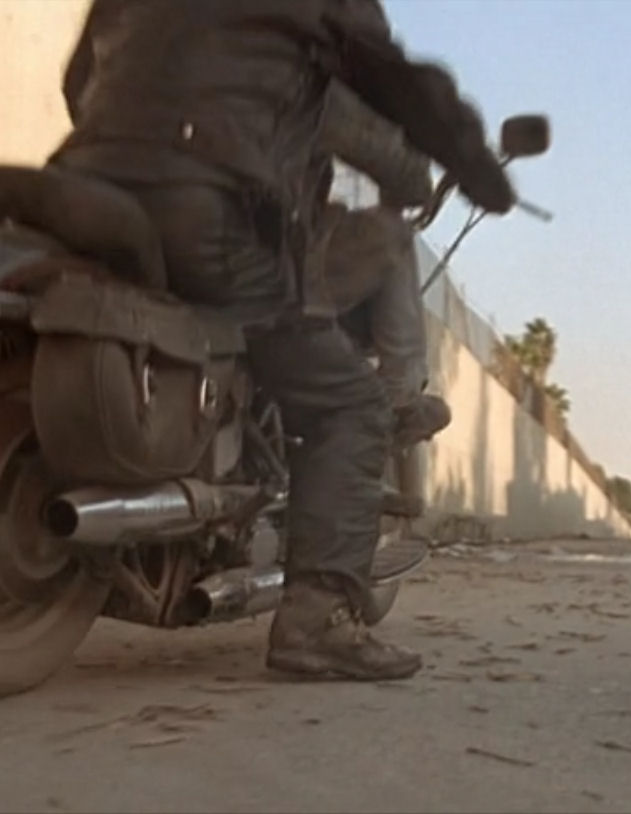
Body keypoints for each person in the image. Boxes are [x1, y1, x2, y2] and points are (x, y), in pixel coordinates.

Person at [51, 0, 514, 681]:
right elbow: (400, 91)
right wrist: (478, 171)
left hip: (83, 189)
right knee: (350, 404)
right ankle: (316, 621)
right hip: (211, 214)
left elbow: (77, 84)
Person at [314, 81, 452, 517]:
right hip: (255, 255)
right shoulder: (290, 60)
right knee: (393, 235)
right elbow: (407, 177)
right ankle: (392, 402)